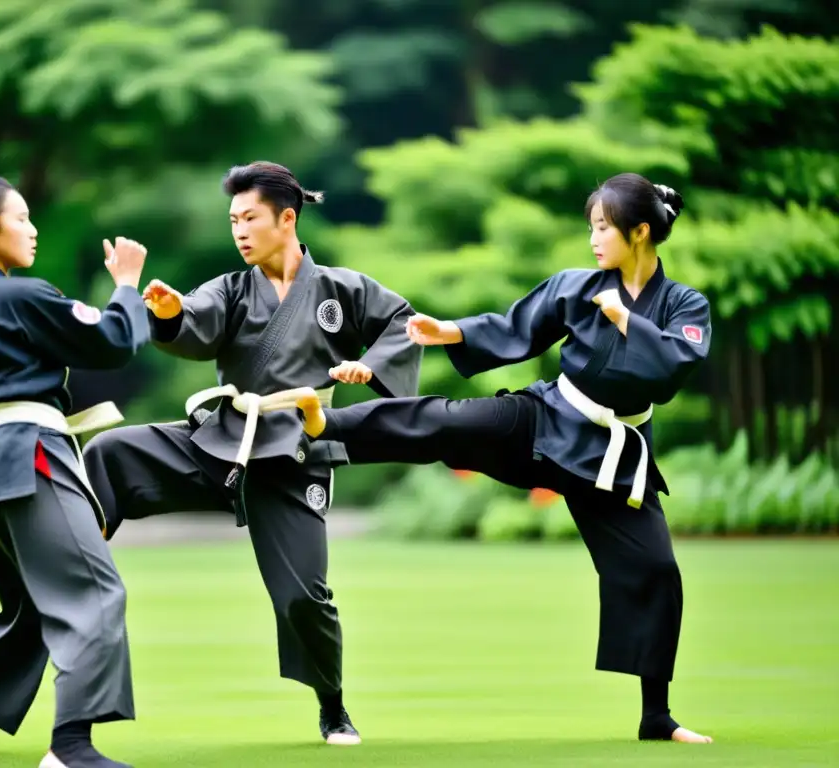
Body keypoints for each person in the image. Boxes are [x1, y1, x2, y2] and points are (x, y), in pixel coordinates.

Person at [295, 173, 714, 744]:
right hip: (547, 420)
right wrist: (449, 332)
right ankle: (321, 430)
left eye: (603, 229)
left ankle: (656, 716)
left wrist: (626, 321)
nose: (593, 239)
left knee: (656, 570)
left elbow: (673, 370)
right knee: (443, 421)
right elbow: (520, 325)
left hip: (611, 458)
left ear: (640, 233)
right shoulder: (578, 285)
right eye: (590, 227)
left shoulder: (684, 304)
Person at [82, 161, 423, 746]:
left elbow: (403, 321)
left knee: (302, 598)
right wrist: (167, 313)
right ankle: (81, 547)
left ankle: (333, 707)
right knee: (114, 450)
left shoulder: (342, 289)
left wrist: (371, 364)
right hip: (224, 441)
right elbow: (194, 321)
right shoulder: (230, 288)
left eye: (250, 218)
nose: (239, 231)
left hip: (293, 454)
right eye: (233, 220)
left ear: (286, 219)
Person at [0, 174, 152, 768]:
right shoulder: (17, 296)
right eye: (21, 219)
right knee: (93, 594)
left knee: (30, 609)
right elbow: (114, 341)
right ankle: (70, 748)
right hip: (32, 457)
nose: (33, 229)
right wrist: (126, 285)